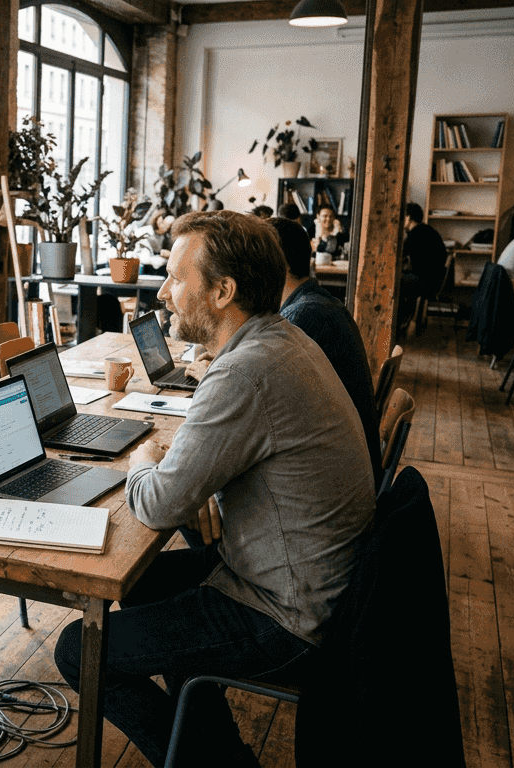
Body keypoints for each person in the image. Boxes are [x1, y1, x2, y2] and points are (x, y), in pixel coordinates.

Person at [53, 210, 375, 767]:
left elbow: (156, 503)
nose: (165, 292)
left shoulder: (245, 371)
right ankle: (213, 743)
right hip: (311, 585)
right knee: (144, 579)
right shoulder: (281, 340)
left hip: (286, 613)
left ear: (224, 291)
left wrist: (143, 457)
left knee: (80, 649)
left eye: (178, 278)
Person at [270, 216, 382, 488]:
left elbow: (262, 396)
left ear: (278, 265)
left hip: (340, 481)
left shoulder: (303, 316)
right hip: (350, 465)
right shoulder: (315, 302)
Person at [399, 202, 449, 328]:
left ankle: (398, 323)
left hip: (426, 281)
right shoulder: (427, 230)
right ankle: (404, 321)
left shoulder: (415, 234)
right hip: (435, 279)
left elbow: (398, 256)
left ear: (409, 217)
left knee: (394, 282)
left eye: (402, 217)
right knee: (402, 278)